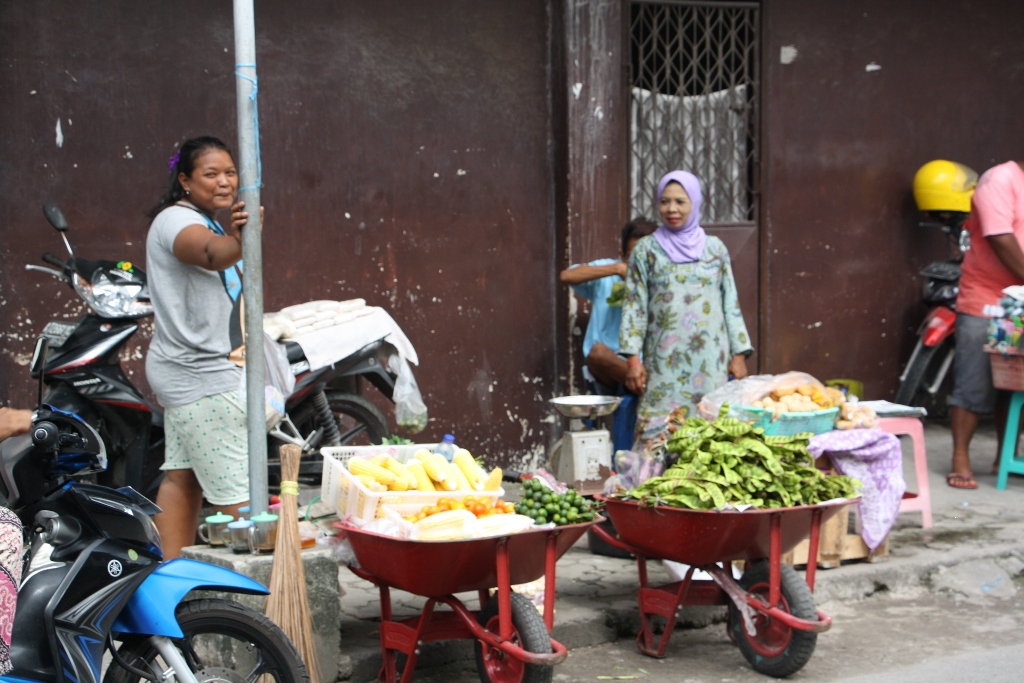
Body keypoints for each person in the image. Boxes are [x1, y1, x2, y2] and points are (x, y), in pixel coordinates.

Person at [145, 136, 260, 558]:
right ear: (185, 181)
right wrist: (244, 237)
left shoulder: (205, 218)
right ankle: (259, 601)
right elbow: (212, 255)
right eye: (211, 174)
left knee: (183, 478)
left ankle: (168, 580)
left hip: (185, 372)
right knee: (239, 497)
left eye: (230, 172)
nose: (224, 182)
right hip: (202, 376)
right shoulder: (176, 221)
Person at [620, 170, 752, 444]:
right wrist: (633, 359)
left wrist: (739, 354)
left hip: (710, 362)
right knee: (658, 436)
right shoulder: (646, 251)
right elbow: (634, 307)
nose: (672, 209)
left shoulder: (715, 249)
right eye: (665, 201)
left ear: (695, 202)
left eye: (681, 201)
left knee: (712, 434)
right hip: (663, 363)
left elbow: (730, 301)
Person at [940, 159, 1024, 489]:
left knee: (1014, 383)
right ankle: (960, 457)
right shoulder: (999, 179)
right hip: (987, 298)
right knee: (973, 380)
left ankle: (1005, 457)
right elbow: (999, 236)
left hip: (1021, 299)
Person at [559, 219, 656, 451]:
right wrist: (616, 269)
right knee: (598, 352)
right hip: (606, 371)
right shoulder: (610, 271)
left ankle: (646, 383)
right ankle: (650, 386)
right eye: (633, 256)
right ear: (622, 254)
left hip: (645, 366)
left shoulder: (661, 279)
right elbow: (566, 276)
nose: (639, 263)